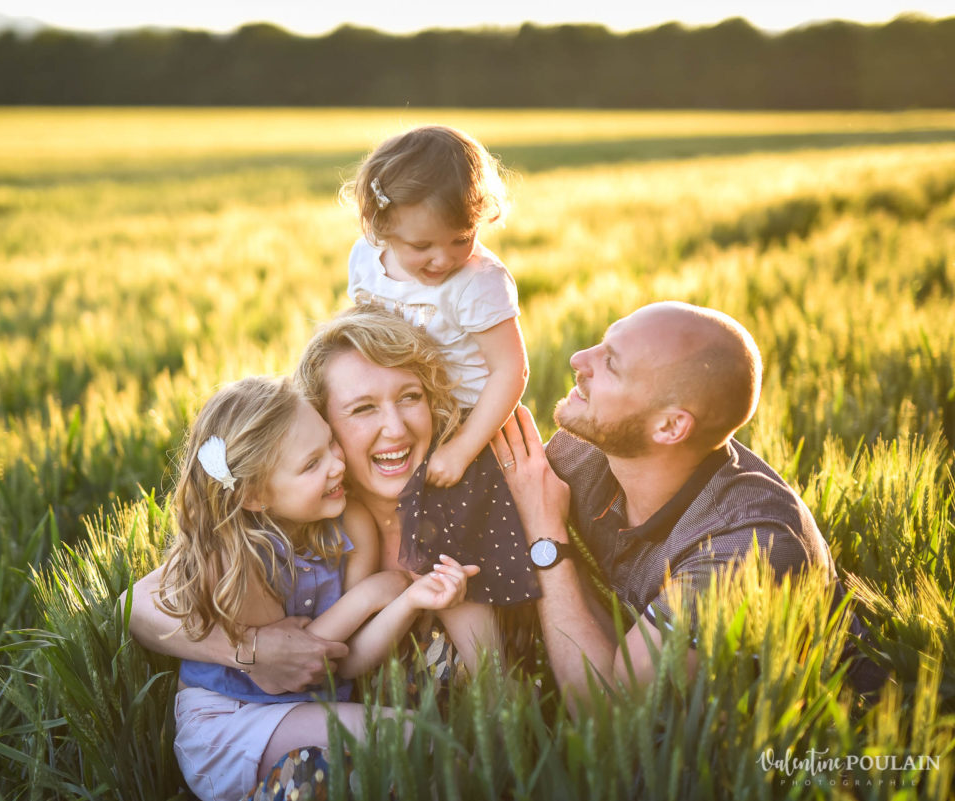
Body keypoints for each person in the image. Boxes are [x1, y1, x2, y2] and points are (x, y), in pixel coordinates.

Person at [488, 301, 839, 713]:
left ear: (671, 426)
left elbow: (610, 711)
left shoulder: (746, 552)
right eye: (601, 345)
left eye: (611, 364)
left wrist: (544, 533)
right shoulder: (584, 450)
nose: (578, 360)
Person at [160, 375, 477, 800]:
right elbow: (292, 668)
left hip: (311, 702)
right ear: (254, 495)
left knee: (412, 744)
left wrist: (408, 600)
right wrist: (369, 596)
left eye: (330, 443)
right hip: (234, 720)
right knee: (410, 737)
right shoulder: (235, 558)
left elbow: (348, 661)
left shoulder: (351, 524)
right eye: (311, 464)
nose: (336, 465)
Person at [345, 125, 528, 489]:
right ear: (381, 226)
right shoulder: (366, 258)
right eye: (421, 246)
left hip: (470, 425)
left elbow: (511, 370)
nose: (443, 259)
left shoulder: (477, 281)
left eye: (461, 239)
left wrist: (461, 449)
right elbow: (361, 331)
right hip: (399, 416)